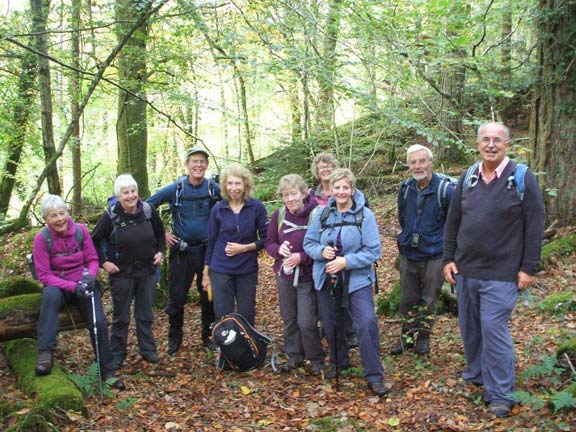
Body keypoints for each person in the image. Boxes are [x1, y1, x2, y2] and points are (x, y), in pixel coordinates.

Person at [443, 122, 545, 418]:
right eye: (485, 139)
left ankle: (501, 393)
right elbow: (453, 221)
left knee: (493, 329)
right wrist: (447, 258)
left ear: (507, 145)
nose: (490, 145)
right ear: (477, 144)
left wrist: (529, 268)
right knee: (471, 328)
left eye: (497, 140)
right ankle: (477, 373)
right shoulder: (468, 177)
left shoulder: (522, 177)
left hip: (502, 273)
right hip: (466, 270)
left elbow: (534, 225)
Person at [304, 168, 390, 396]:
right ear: (330, 189)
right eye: (337, 187)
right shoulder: (320, 214)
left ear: (352, 189)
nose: (341, 192)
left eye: (345, 187)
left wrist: (346, 261)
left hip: (357, 279)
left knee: (366, 323)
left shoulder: (365, 216)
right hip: (327, 277)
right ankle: (339, 361)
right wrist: (322, 252)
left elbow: (373, 251)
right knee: (332, 324)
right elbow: (309, 244)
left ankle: (374, 374)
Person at [33, 195, 124, 390]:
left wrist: (89, 277)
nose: (59, 219)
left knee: (98, 322)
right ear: (45, 219)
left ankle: (107, 372)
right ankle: (45, 353)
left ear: (68, 213)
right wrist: (72, 287)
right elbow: (44, 275)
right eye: (53, 216)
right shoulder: (42, 239)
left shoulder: (81, 231)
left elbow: (92, 259)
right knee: (49, 297)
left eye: (61, 213)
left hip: (83, 282)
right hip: (58, 284)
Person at [147, 147, 222, 355]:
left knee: (208, 295)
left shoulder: (214, 188)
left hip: (208, 252)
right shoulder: (175, 188)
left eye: (202, 162)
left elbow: (233, 206)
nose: (198, 165)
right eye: (194, 161)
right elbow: (146, 206)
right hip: (182, 253)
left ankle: (208, 335)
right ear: (187, 164)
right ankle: (175, 337)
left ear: (206, 165)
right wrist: (161, 235)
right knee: (177, 297)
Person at [92, 174, 166, 370]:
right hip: (121, 274)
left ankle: (148, 350)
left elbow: (160, 233)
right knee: (121, 316)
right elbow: (94, 241)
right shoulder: (110, 215)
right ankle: (117, 354)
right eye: (126, 193)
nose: (131, 196)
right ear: (118, 196)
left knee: (145, 314)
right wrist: (104, 263)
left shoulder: (148, 211)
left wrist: (160, 252)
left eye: (133, 191)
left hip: (147, 272)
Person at [392, 145, 455, 355]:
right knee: (407, 298)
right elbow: (403, 218)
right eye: (413, 162)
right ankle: (406, 337)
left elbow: (455, 222)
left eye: (422, 161)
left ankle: (423, 337)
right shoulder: (405, 188)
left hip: (435, 254)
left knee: (429, 299)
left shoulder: (445, 190)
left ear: (431, 163)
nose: (417, 166)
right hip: (409, 252)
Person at [265, 174, 325, 375]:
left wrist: (301, 256)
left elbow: (322, 245)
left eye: (293, 194)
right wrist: (278, 251)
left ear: (303, 193)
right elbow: (269, 242)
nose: (290, 199)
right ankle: (294, 356)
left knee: (307, 321)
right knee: (289, 318)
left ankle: (316, 358)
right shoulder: (279, 215)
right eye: (285, 195)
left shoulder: (316, 214)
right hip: (285, 274)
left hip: (308, 275)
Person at [202, 163, 268, 326]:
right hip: (221, 268)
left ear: (245, 185)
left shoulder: (256, 207)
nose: (234, 188)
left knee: (247, 313)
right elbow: (211, 241)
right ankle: (227, 350)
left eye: (237, 183)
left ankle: (248, 349)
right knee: (223, 315)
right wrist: (206, 272)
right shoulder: (218, 209)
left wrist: (244, 248)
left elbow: (266, 239)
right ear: (224, 186)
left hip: (247, 268)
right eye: (230, 184)